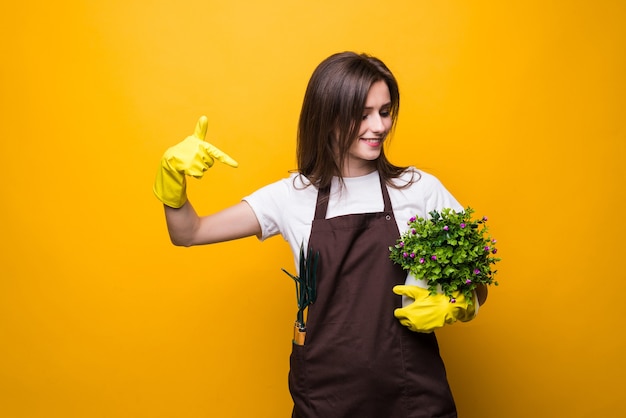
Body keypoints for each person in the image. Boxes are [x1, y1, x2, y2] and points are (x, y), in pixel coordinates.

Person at [153, 51, 487, 418]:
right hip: (326, 399)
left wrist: (460, 303)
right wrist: (173, 182)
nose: (378, 126)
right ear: (327, 117)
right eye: (362, 115)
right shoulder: (292, 195)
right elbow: (190, 232)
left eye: (385, 111)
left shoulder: (419, 189)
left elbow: (477, 279)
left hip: (414, 398)